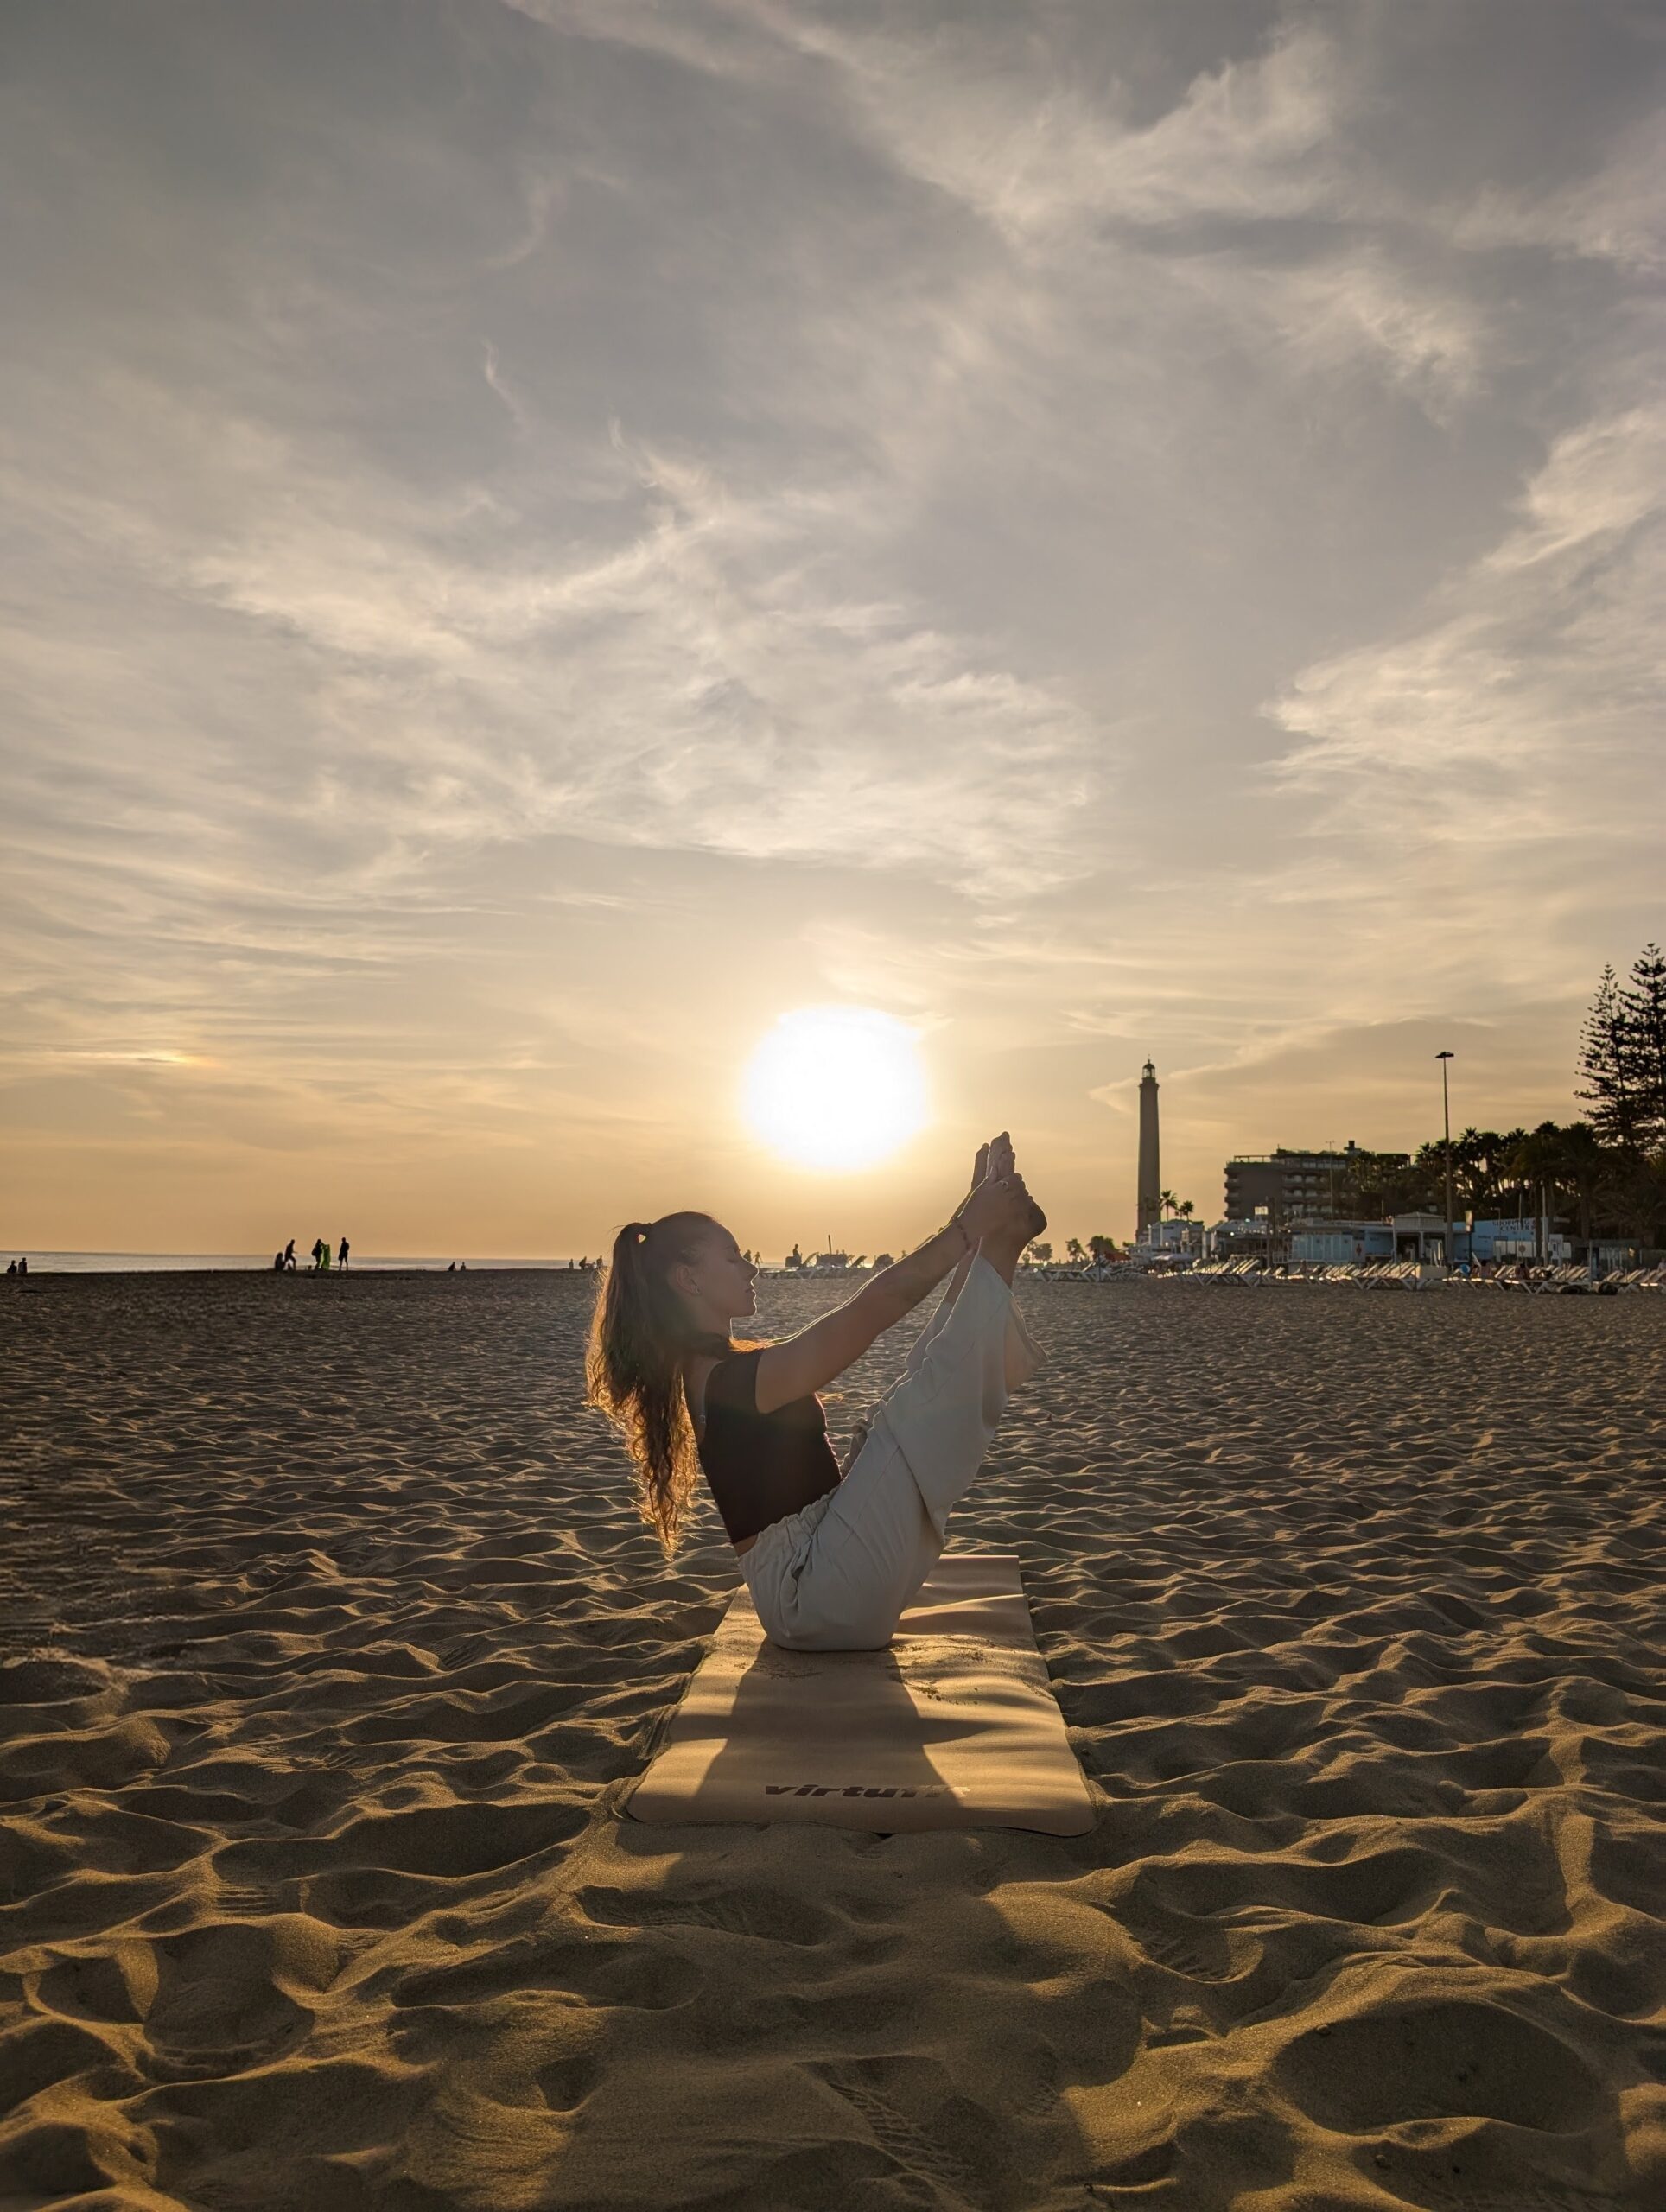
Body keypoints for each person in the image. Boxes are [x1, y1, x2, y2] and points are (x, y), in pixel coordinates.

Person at [586, 1134, 1044, 1653]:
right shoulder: (726, 1383)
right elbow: (873, 1310)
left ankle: (994, 1249)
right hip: (810, 1593)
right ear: (688, 1279)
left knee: (906, 1398)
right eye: (733, 1258)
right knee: (904, 1420)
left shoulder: (721, 1371)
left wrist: (973, 1223)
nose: (751, 1268)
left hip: (823, 1568)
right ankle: (995, 1242)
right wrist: (966, 1225)